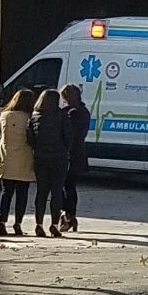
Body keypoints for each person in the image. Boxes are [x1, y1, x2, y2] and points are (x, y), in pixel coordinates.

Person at [0, 89, 37, 235]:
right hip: (24, 158)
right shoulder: (30, 118)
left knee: (6, 192)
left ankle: (2, 222)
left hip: (6, 157)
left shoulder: (5, 115)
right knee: (22, 194)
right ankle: (18, 224)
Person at [28, 88, 71, 238]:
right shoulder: (62, 115)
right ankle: (54, 225)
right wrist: (64, 148)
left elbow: (30, 138)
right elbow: (69, 137)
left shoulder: (35, 116)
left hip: (40, 158)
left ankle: (39, 224)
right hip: (59, 158)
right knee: (56, 192)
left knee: (41, 192)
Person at [58, 83, 91, 232]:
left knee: (62, 186)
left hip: (68, 154)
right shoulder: (84, 111)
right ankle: (72, 216)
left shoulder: (71, 113)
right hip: (79, 152)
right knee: (70, 186)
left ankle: (67, 215)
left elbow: (68, 134)